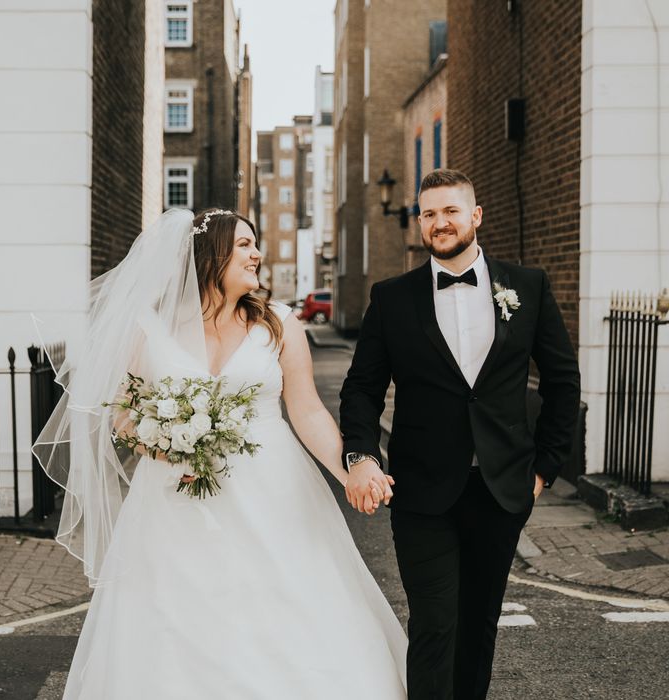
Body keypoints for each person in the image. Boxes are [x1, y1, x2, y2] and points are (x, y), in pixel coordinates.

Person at [33, 208, 406, 698]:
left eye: (256, 245)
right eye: (246, 245)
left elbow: (308, 411)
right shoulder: (149, 327)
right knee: (174, 612)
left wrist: (354, 469)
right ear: (211, 255)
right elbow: (122, 412)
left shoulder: (279, 324)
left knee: (286, 601)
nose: (258, 254)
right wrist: (163, 444)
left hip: (272, 488)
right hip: (172, 497)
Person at [339, 169, 581, 699]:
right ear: (419, 222)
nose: (439, 222)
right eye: (428, 213)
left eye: (450, 211)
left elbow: (563, 382)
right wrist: (361, 455)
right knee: (434, 622)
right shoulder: (392, 298)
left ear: (475, 216)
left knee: (477, 626)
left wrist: (544, 468)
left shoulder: (528, 287)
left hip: (501, 488)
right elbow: (361, 390)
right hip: (421, 491)